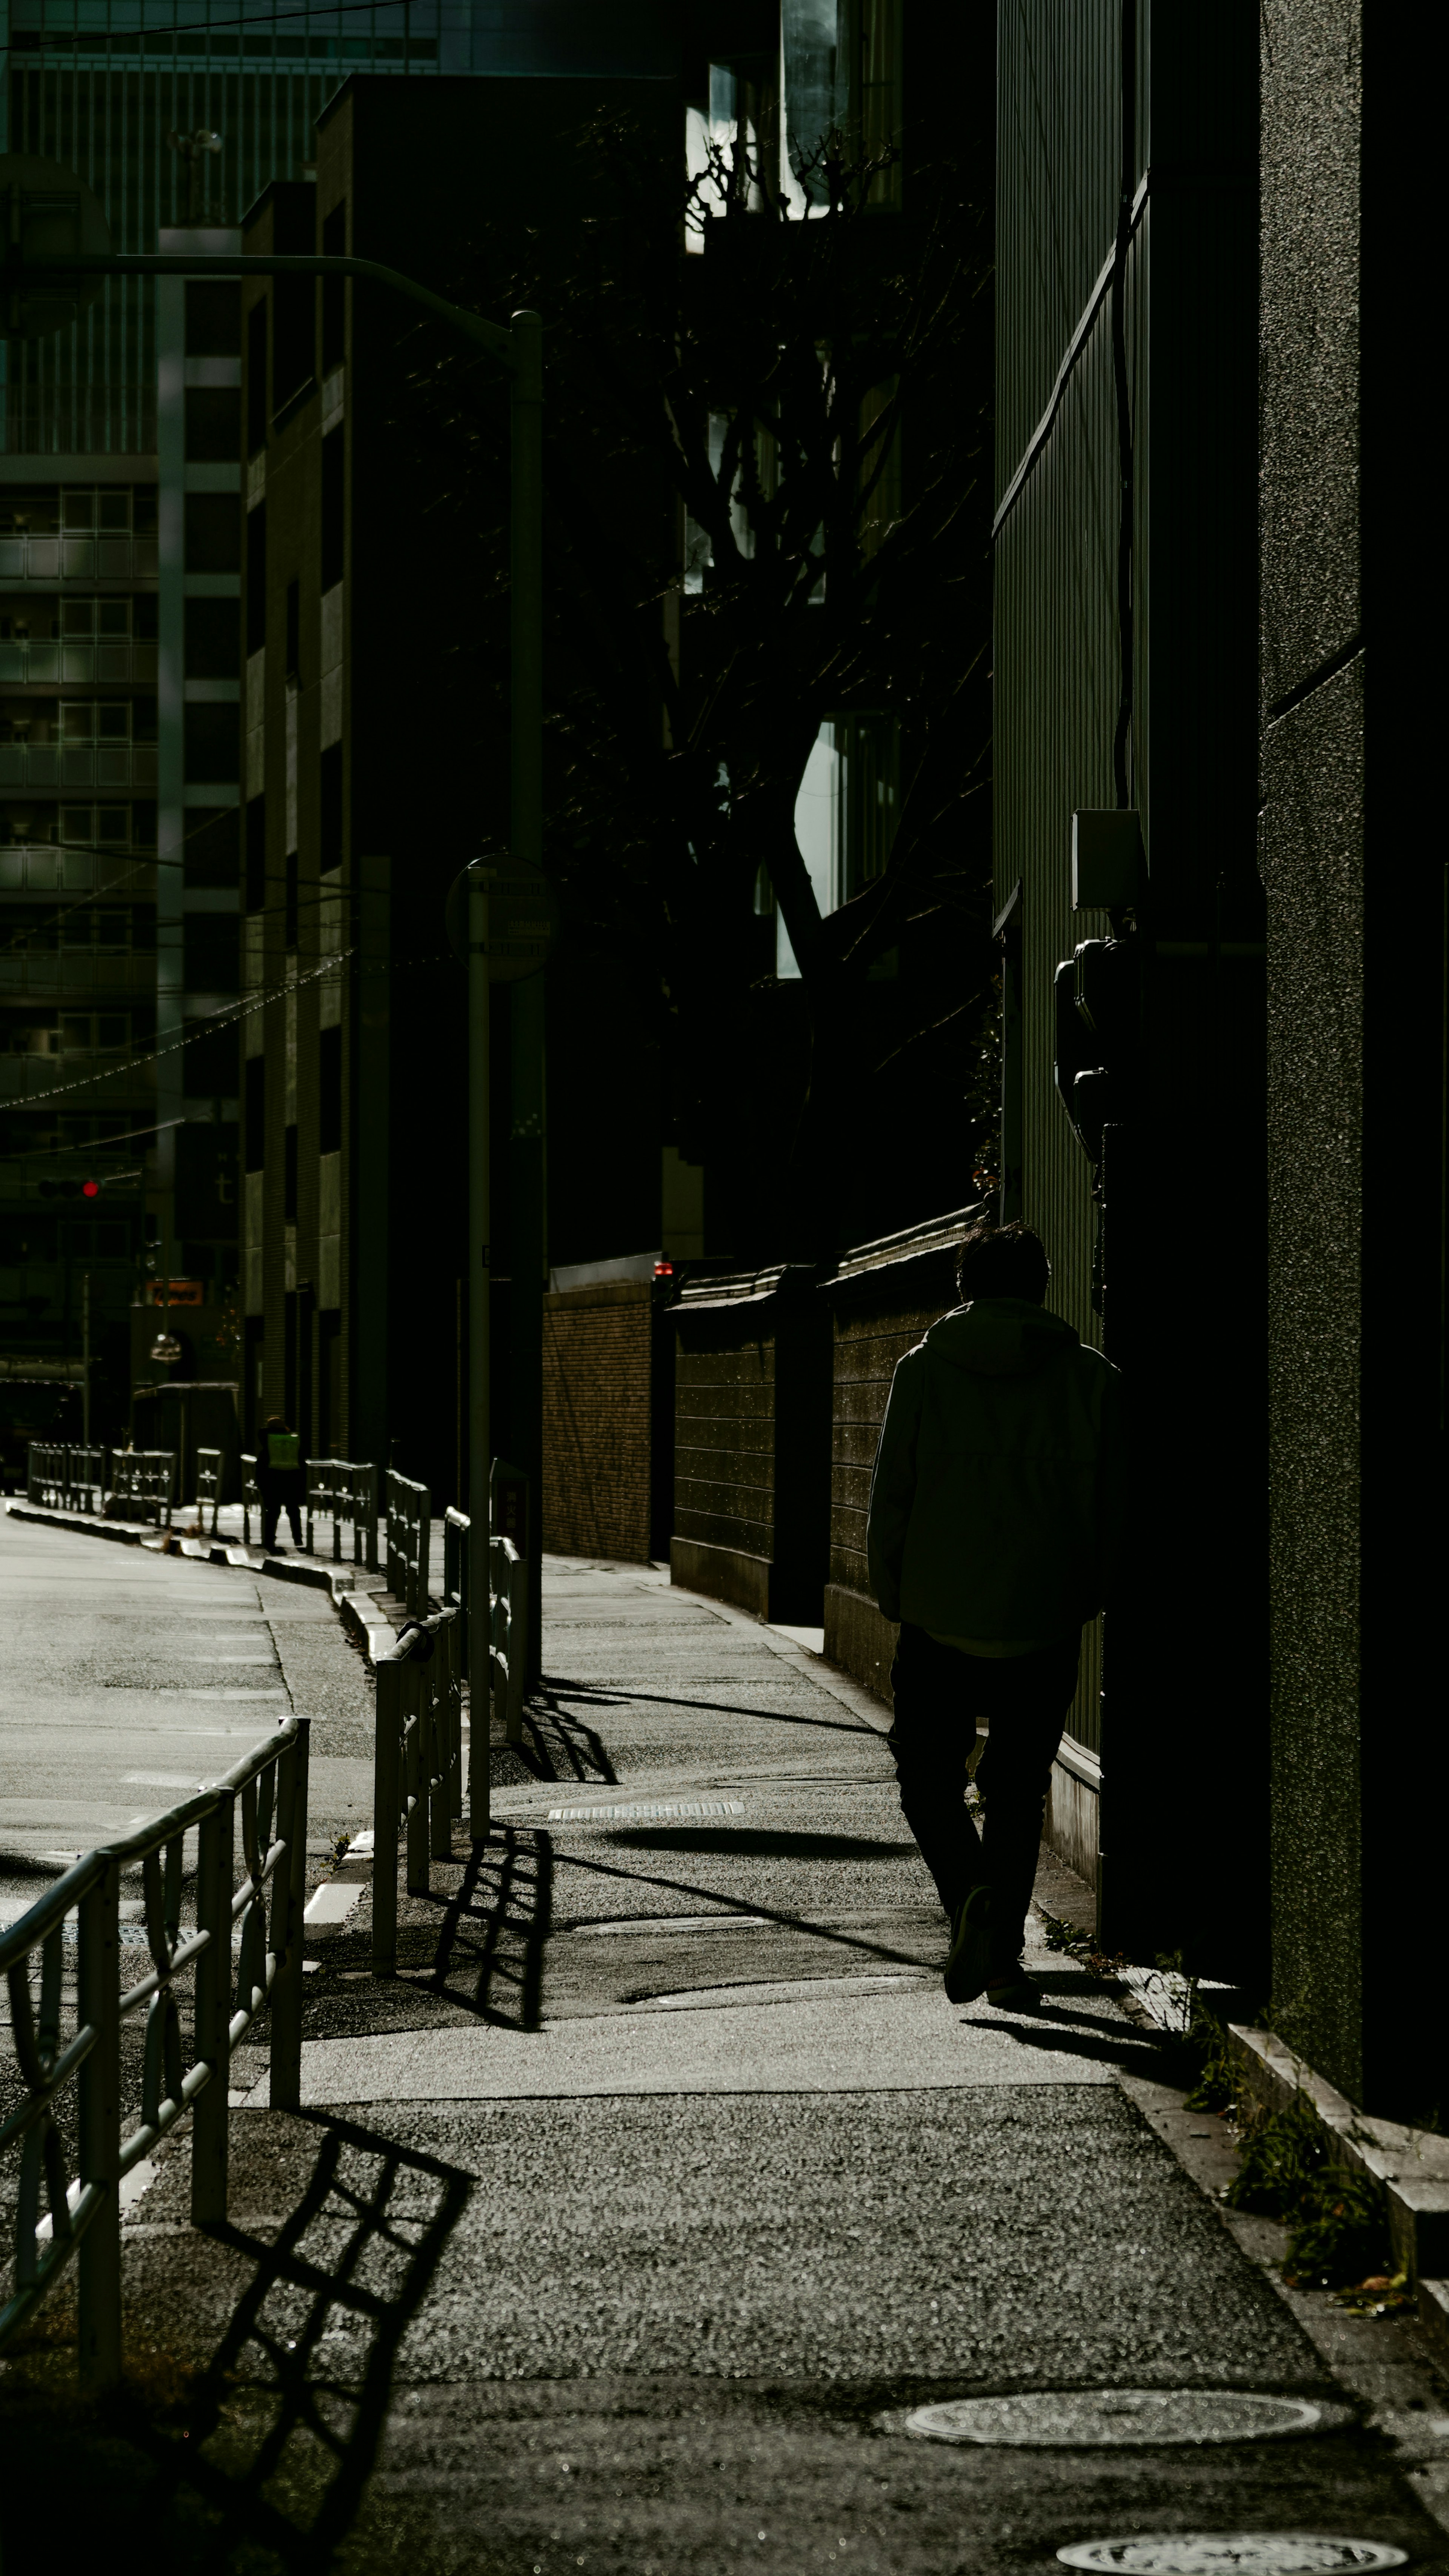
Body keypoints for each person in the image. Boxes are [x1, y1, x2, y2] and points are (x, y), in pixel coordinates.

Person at [866, 1219, 1123, 2011]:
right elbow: (1115, 1510)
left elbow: (893, 1494)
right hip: (1044, 1614)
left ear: (964, 1288)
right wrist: (1088, 1590)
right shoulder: (1091, 1380)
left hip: (940, 1613)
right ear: (1043, 1285)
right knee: (1016, 1791)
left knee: (926, 1778)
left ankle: (971, 1895)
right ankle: (1004, 1959)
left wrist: (891, 1588)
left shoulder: (923, 1371)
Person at [256, 1413, 305, 1551]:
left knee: (272, 1511)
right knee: (294, 1511)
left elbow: (261, 1465)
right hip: (291, 1481)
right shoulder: (292, 1442)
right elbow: (301, 1462)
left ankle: (269, 1540)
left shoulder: (267, 1442)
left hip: (271, 1481)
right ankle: (298, 1539)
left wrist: (261, 1483)